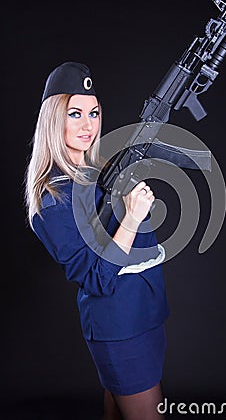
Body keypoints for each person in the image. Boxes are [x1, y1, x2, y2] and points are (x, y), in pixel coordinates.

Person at [24, 62, 170, 420]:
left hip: (145, 313)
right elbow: (98, 279)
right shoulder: (52, 199)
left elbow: (132, 245)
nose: (88, 125)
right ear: (53, 120)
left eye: (93, 113)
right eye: (75, 114)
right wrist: (132, 217)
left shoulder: (98, 173)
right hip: (119, 327)